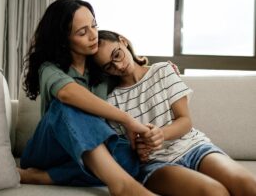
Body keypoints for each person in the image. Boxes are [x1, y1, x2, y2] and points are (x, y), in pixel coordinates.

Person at [19, 0, 158, 196]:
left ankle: (43, 177)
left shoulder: (102, 70)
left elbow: (128, 71)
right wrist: (127, 120)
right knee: (67, 105)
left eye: (94, 25)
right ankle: (122, 185)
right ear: (63, 40)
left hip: (87, 154)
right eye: (82, 32)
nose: (94, 36)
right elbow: (68, 93)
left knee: (130, 157)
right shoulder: (49, 68)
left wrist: (158, 71)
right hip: (49, 151)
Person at [91, 30, 256, 196]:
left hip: (194, 147)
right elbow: (125, 148)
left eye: (116, 55)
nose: (118, 66)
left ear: (123, 41)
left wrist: (160, 134)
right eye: (109, 66)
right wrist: (140, 149)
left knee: (248, 185)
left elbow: (185, 121)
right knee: (215, 192)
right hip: (156, 164)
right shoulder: (111, 101)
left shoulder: (163, 70)